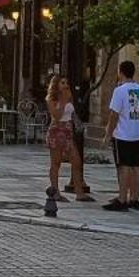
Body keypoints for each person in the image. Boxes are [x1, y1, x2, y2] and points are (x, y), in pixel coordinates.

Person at [104, 58, 139, 210]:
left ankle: (122, 199)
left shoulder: (120, 90)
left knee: (123, 166)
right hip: (136, 133)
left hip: (123, 134)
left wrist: (108, 133)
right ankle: (134, 198)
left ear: (120, 72)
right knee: (136, 165)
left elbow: (114, 114)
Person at [44, 75, 92, 204]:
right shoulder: (51, 99)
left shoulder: (69, 96)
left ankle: (79, 192)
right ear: (56, 85)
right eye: (62, 83)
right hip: (56, 131)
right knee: (56, 163)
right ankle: (55, 192)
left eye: (66, 82)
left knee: (76, 161)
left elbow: (71, 113)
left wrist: (77, 124)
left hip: (67, 131)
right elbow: (57, 116)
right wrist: (64, 101)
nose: (65, 85)